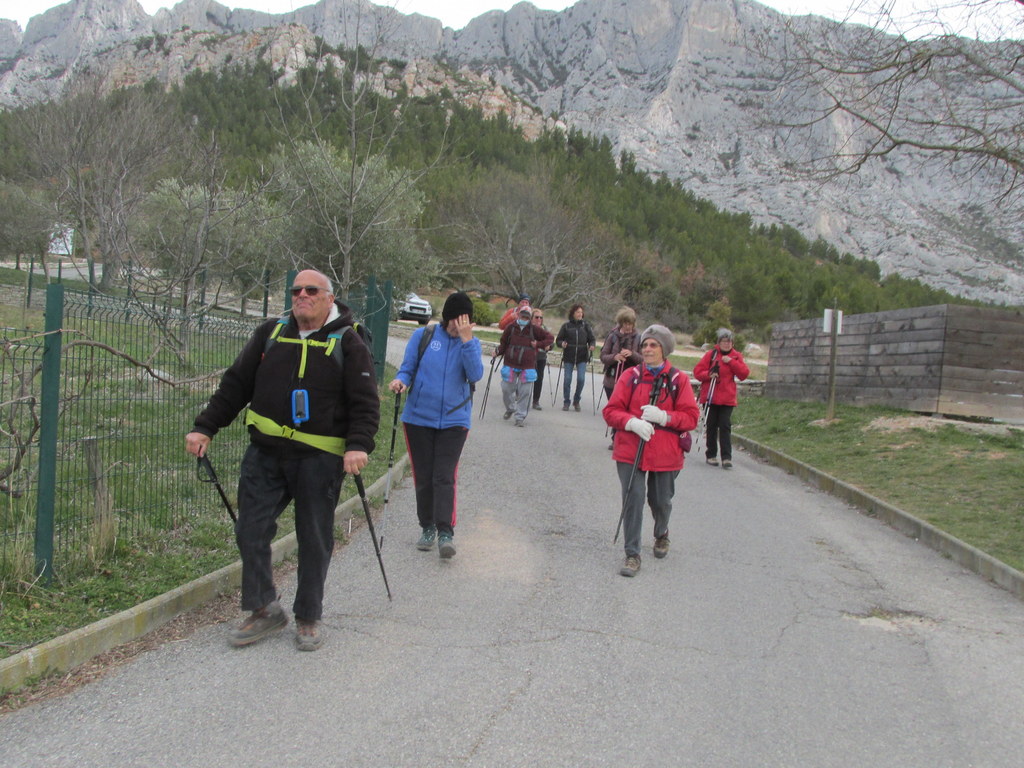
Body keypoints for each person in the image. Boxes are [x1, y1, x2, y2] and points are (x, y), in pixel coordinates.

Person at [185, 269, 380, 651]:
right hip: (266, 452)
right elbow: (236, 383)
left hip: (320, 456)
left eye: (310, 290)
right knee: (250, 529)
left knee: (314, 536)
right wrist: (206, 426)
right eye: (295, 290)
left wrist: (358, 445)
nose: (301, 295)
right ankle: (264, 608)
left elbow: (365, 401)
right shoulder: (271, 334)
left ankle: (308, 616)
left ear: (329, 298)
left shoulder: (348, 341)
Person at [388, 292, 482, 559]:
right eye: (453, 321)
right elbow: (407, 368)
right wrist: (400, 381)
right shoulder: (424, 337)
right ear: (446, 318)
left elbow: (475, 374)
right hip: (418, 418)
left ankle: (445, 532)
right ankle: (426, 526)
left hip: (454, 420)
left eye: (463, 322)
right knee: (424, 475)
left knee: (444, 475)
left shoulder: (470, 343)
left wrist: (466, 342)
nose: (457, 326)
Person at [603, 324, 699, 577]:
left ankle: (661, 533)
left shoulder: (679, 380)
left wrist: (665, 417)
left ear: (664, 349)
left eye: (653, 345)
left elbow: (691, 418)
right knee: (633, 499)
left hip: (666, 453)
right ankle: (632, 554)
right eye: (644, 344)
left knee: (661, 501)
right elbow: (611, 411)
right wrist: (631, 422)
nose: (647, 349)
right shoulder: (631, 376)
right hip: (630, 449)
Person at [693, 327, 750, 469]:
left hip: (727, 398)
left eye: (729, 341)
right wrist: (709, 375)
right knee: (711, 426)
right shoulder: (711, 355)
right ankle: (711, 455)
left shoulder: (736, 356)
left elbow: (744, 374)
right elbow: (697, 372)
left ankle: (726, 457)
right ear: (719, 342)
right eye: (724, 341)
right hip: (710, 396)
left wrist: (731, 361)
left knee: (725, 426)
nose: (727, 344)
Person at [494, 303, 554, 427]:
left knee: (525, 392)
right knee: (506, 389)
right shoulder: (511, 328)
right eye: (523, 316)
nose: (524, 319)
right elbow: (503, 343)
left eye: (527, 317)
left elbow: (550, 338)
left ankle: (520, 417)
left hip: (527, 365)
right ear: (519, 315)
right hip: (510, 363)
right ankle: (510, 408)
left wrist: (538, 344)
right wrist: (498, 352)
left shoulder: (534, 329)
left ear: (529, 318)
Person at [599, 307, 642, 446]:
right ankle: (616, 437)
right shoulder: (612, 336)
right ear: (621, 323)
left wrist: (632, 354)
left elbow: (643, 360)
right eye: (626, 324)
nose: (628, 327)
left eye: (630, 324)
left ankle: (616, 438)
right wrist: (615, 357)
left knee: (626, 409)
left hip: (631, 380)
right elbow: (603, 356)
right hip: (612, 378)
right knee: (616, 408)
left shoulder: (638, 338)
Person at [555, 303, 596, 411]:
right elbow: (558, 340)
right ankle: (566, 401)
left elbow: (592, 339)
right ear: (573, 313)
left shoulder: (586, 326)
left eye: (581, 312)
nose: (580, 314)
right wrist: (562, 343)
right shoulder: (566, 326)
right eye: (578, 312)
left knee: (581, 379)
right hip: (569, 355)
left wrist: (592, 345)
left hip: (582, 356)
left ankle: (576, 400)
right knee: (567, 379)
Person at [531, 308, 553, 410]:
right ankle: (520, 395)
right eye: (536, 317)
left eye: (541, 317)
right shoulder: (528, 328)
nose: (539, 319)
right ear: (532, 318)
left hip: (541, 357)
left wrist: (549, 346)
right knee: (525, 377)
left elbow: (551, 342)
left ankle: (536, 401)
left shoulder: (545, 329)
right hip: (529, 357)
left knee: (539, 379)